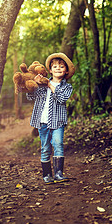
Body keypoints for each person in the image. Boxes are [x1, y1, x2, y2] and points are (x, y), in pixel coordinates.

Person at [27, 53, 75, 184]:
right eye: (55, 66)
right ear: (50, 70)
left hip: (58, 121)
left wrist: (49, 84)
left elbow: (61, 98)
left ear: (66, 71)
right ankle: (47, 174)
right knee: (45, 147)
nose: (58, 68)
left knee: (58, 144)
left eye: (61, 66)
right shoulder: (42, 85)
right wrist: (33, 85)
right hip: (43, 122)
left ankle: (59, 173)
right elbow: (30, 97)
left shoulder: (67, 87)